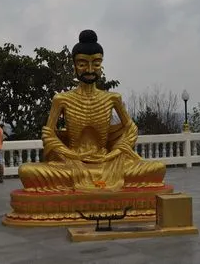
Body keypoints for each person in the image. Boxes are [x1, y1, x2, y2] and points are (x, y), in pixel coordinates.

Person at [18, 29, 166, 192]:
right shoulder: (62, 99)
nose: (89, 69)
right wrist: (73, 156)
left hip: (107, 161)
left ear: (101, 65)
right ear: (74, 66)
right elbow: (48, 135)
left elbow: (131, 129)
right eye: (82, 64)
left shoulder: (112, 98)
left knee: (157, 168)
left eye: (96, 63)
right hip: (72, 162)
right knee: (27, 172)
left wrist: (112, 154)